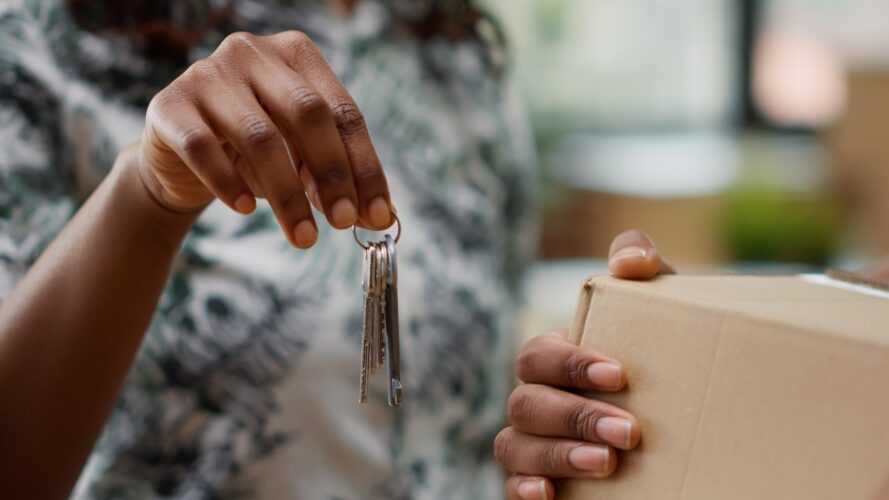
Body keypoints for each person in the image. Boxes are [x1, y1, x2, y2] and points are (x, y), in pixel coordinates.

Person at [0, 1, 659, 499]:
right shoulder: (35, 45)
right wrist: (145, 197)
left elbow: (478, 424)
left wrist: (596, 395)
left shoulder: (455, 51)